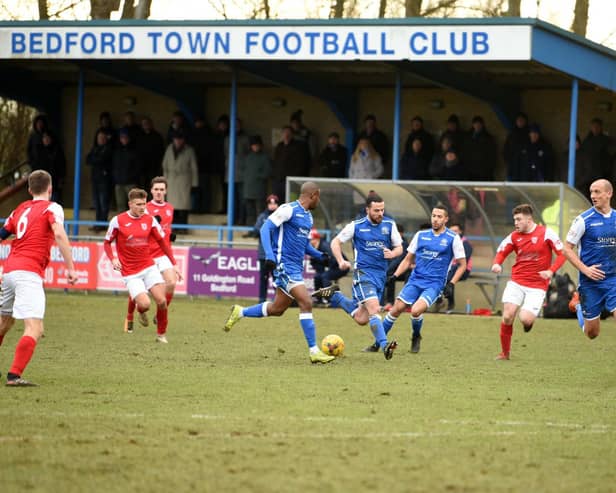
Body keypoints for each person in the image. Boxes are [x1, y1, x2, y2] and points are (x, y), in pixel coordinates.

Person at [223, 182, 336, 364]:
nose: (319, 200)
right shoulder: (288, 209)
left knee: (278, 309)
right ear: (313, 195)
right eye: (319, 197)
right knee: (306, 302)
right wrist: (270, 255)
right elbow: (265, 228)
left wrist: (319, 255)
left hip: (295, 267)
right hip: (284, 265)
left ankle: (240, 312)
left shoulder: (308, 218)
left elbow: (304, 244)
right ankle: (314, 351)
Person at [0, 170, 78, 386]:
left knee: (4, 322)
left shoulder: (20, 209)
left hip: (9, 272)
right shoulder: (53, 208)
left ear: (29, 189)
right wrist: (71, 268)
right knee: (35, 328)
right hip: (28, 273)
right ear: (50, 188)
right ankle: (14, 376)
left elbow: (2, 234)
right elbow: (60, 234)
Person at [312, 193, 402, 359]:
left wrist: (392, 253)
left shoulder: (389, 225)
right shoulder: (356, 226)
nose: (380, 213)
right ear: (367, 209)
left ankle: (335, 295)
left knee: (362, 318)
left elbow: (399, 248)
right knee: (375, 309)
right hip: (363, 274)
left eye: (382, 210)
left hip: (380, 276)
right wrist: (340, 261)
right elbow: (335, 242)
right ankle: (384, 346)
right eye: (376, 210)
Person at [380, 205, 466, 354]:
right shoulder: (421, 235)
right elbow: (407, 260)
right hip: (415, 280)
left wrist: (451, 284)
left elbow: (462, 265)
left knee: (415, 310)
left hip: (434, 284)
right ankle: (377, 342)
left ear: (446, 219)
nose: (436, 219)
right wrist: (394, 276)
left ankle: (416, 336)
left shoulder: (453, 238)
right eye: (434, 216)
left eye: (439, 216)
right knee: (396, 309)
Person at [491, 204, 565, 360]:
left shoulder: (546, 233)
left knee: (525, 318)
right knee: (507, 316)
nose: (515, 223)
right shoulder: (514, 236)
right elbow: (501, 251)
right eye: (514, 220)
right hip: (517, 281)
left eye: (518, 219)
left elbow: (562, 254)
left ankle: (528, 323)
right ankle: (505, 353)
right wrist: (497, 263)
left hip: (537, 286)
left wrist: (551, 271)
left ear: (529, 218)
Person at [104, 188, 178, 344]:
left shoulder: (149, 220)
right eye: (138, 204)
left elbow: (162, 242)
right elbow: (107, 243)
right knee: (145, 304)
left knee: (162, 301)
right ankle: (140, 310)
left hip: (149, 267)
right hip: (130, 272)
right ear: (130, 204)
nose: (142, 208)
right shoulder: (118, 221)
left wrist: (173, 263)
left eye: (144, 204)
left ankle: (161, 335)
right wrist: (113, 258)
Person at [123, 177, 182, 342]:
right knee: (139, 287)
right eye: (156, 189)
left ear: (166, 191)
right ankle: (130, 316)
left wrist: (170, 236)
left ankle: (159, 314)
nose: (159, 192)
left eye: (162, 189)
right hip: (146, 254)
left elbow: (165, 231)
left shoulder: (170, 209)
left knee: (171, 282)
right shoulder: (144, 207)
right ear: (151, 191)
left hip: (161, 253)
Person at [564, 179, 616, 339]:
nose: (593, 195)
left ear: (609, 193)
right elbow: (566, 249)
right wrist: (585, 270)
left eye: (597, 192)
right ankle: (579, 306)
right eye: (591, 192)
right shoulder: (583, 220)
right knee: (592, 333)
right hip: (590, 282)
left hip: (613, 279)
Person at [162, 129, 198, 232]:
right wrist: (165, 180)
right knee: (172, 207)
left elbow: (194, 168)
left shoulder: (189, 150)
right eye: (176, 139)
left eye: (180, 139)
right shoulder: (169, 148)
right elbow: (165, 165)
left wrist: (195, 183)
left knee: (183, 206)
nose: (177, 141)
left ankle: (183, 228)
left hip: (184, 180)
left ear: (183, 140)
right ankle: (174, 227)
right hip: (171, 180)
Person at [246, 194, 280, 303]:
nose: (272, 205)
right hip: (263, 254)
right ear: (267, 204)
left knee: (277, 278)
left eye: (274, 203)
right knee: (263, 278)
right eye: (270, 203)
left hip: (276, 253)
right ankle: (262, 300)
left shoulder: (281, 216)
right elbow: (256, 231)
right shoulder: (262, 217)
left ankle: (278, 299)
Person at [438, 222, 473, 313]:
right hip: (449, 269)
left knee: (449, 278)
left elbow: (463, 262)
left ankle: (450, 304)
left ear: (460, 231)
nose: (453, 233)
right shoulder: (446, 242)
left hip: (463, 270)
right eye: (451, 231)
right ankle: (438, 300)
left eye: (456, 231)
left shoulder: (465, 244)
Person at [308, 228, 350, 302]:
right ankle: (319, 300)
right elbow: (316, 263)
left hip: (342, 266)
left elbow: (333, 259)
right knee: (317, 277)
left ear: (316, 238)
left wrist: (328, 269)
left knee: (325, 276)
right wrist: (319, 270)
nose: (309, 241)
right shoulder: (313, 248)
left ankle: (332, 300)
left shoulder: (325, 246)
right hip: (332, 267)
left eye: (311, 239)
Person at [86, 129, 114, 230]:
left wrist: (96, 159)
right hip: (95, 179)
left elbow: (103, 160)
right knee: (96, 203)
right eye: (99, 138)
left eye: (102, 138)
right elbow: (88, 159)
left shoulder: (108, 149)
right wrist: (96, 159)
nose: (100, 140)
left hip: (105, 180)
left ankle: (103, 224)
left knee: (103, 203)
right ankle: (98, 223)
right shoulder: (95, 149)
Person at [242, 135, 271, 227]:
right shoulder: (248, 157)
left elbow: (268, 172)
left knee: (260, 212)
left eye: (257, 145)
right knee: (250, 213)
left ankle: (259, 231)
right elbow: (244, 171)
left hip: (259, 189)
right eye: (253, 145)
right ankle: (250, 230)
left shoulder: (265, 157)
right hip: (248, 189)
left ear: (261, 145)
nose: (255, 147)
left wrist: (257, 176)